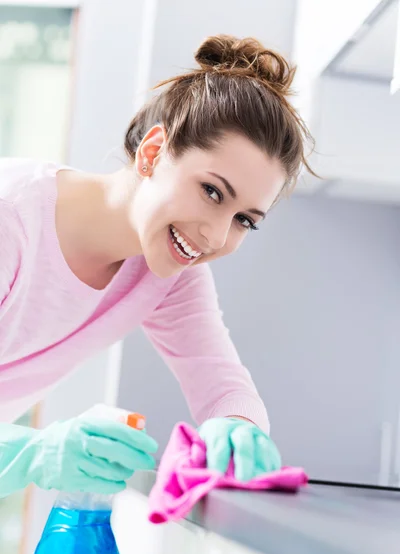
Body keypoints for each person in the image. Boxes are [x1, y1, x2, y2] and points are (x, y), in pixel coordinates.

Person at [0, 34, 315, 498]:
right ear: (152, 153)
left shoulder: (166, 274)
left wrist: (237, 425)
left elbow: (222, 384)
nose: (214, 235)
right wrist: (32, 454)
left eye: (244, 220)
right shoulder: (12, 218)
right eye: (212, 191)